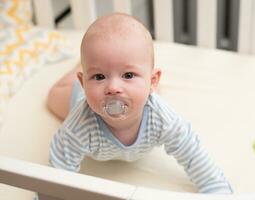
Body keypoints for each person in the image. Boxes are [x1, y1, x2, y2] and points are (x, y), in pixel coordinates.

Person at [47, 13, 233, 194]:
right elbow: (58, 173)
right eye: (99, 76)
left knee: (144, 95)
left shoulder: (162, 118)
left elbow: (193, 154)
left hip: (145, 95)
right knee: (53, 96)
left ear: (153, 80)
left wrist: (215, 188)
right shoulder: (78, 126)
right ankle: (80, 69)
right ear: (84, 82)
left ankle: (109, 75)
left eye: (128, 75)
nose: (113, 88)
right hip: (77, 97)